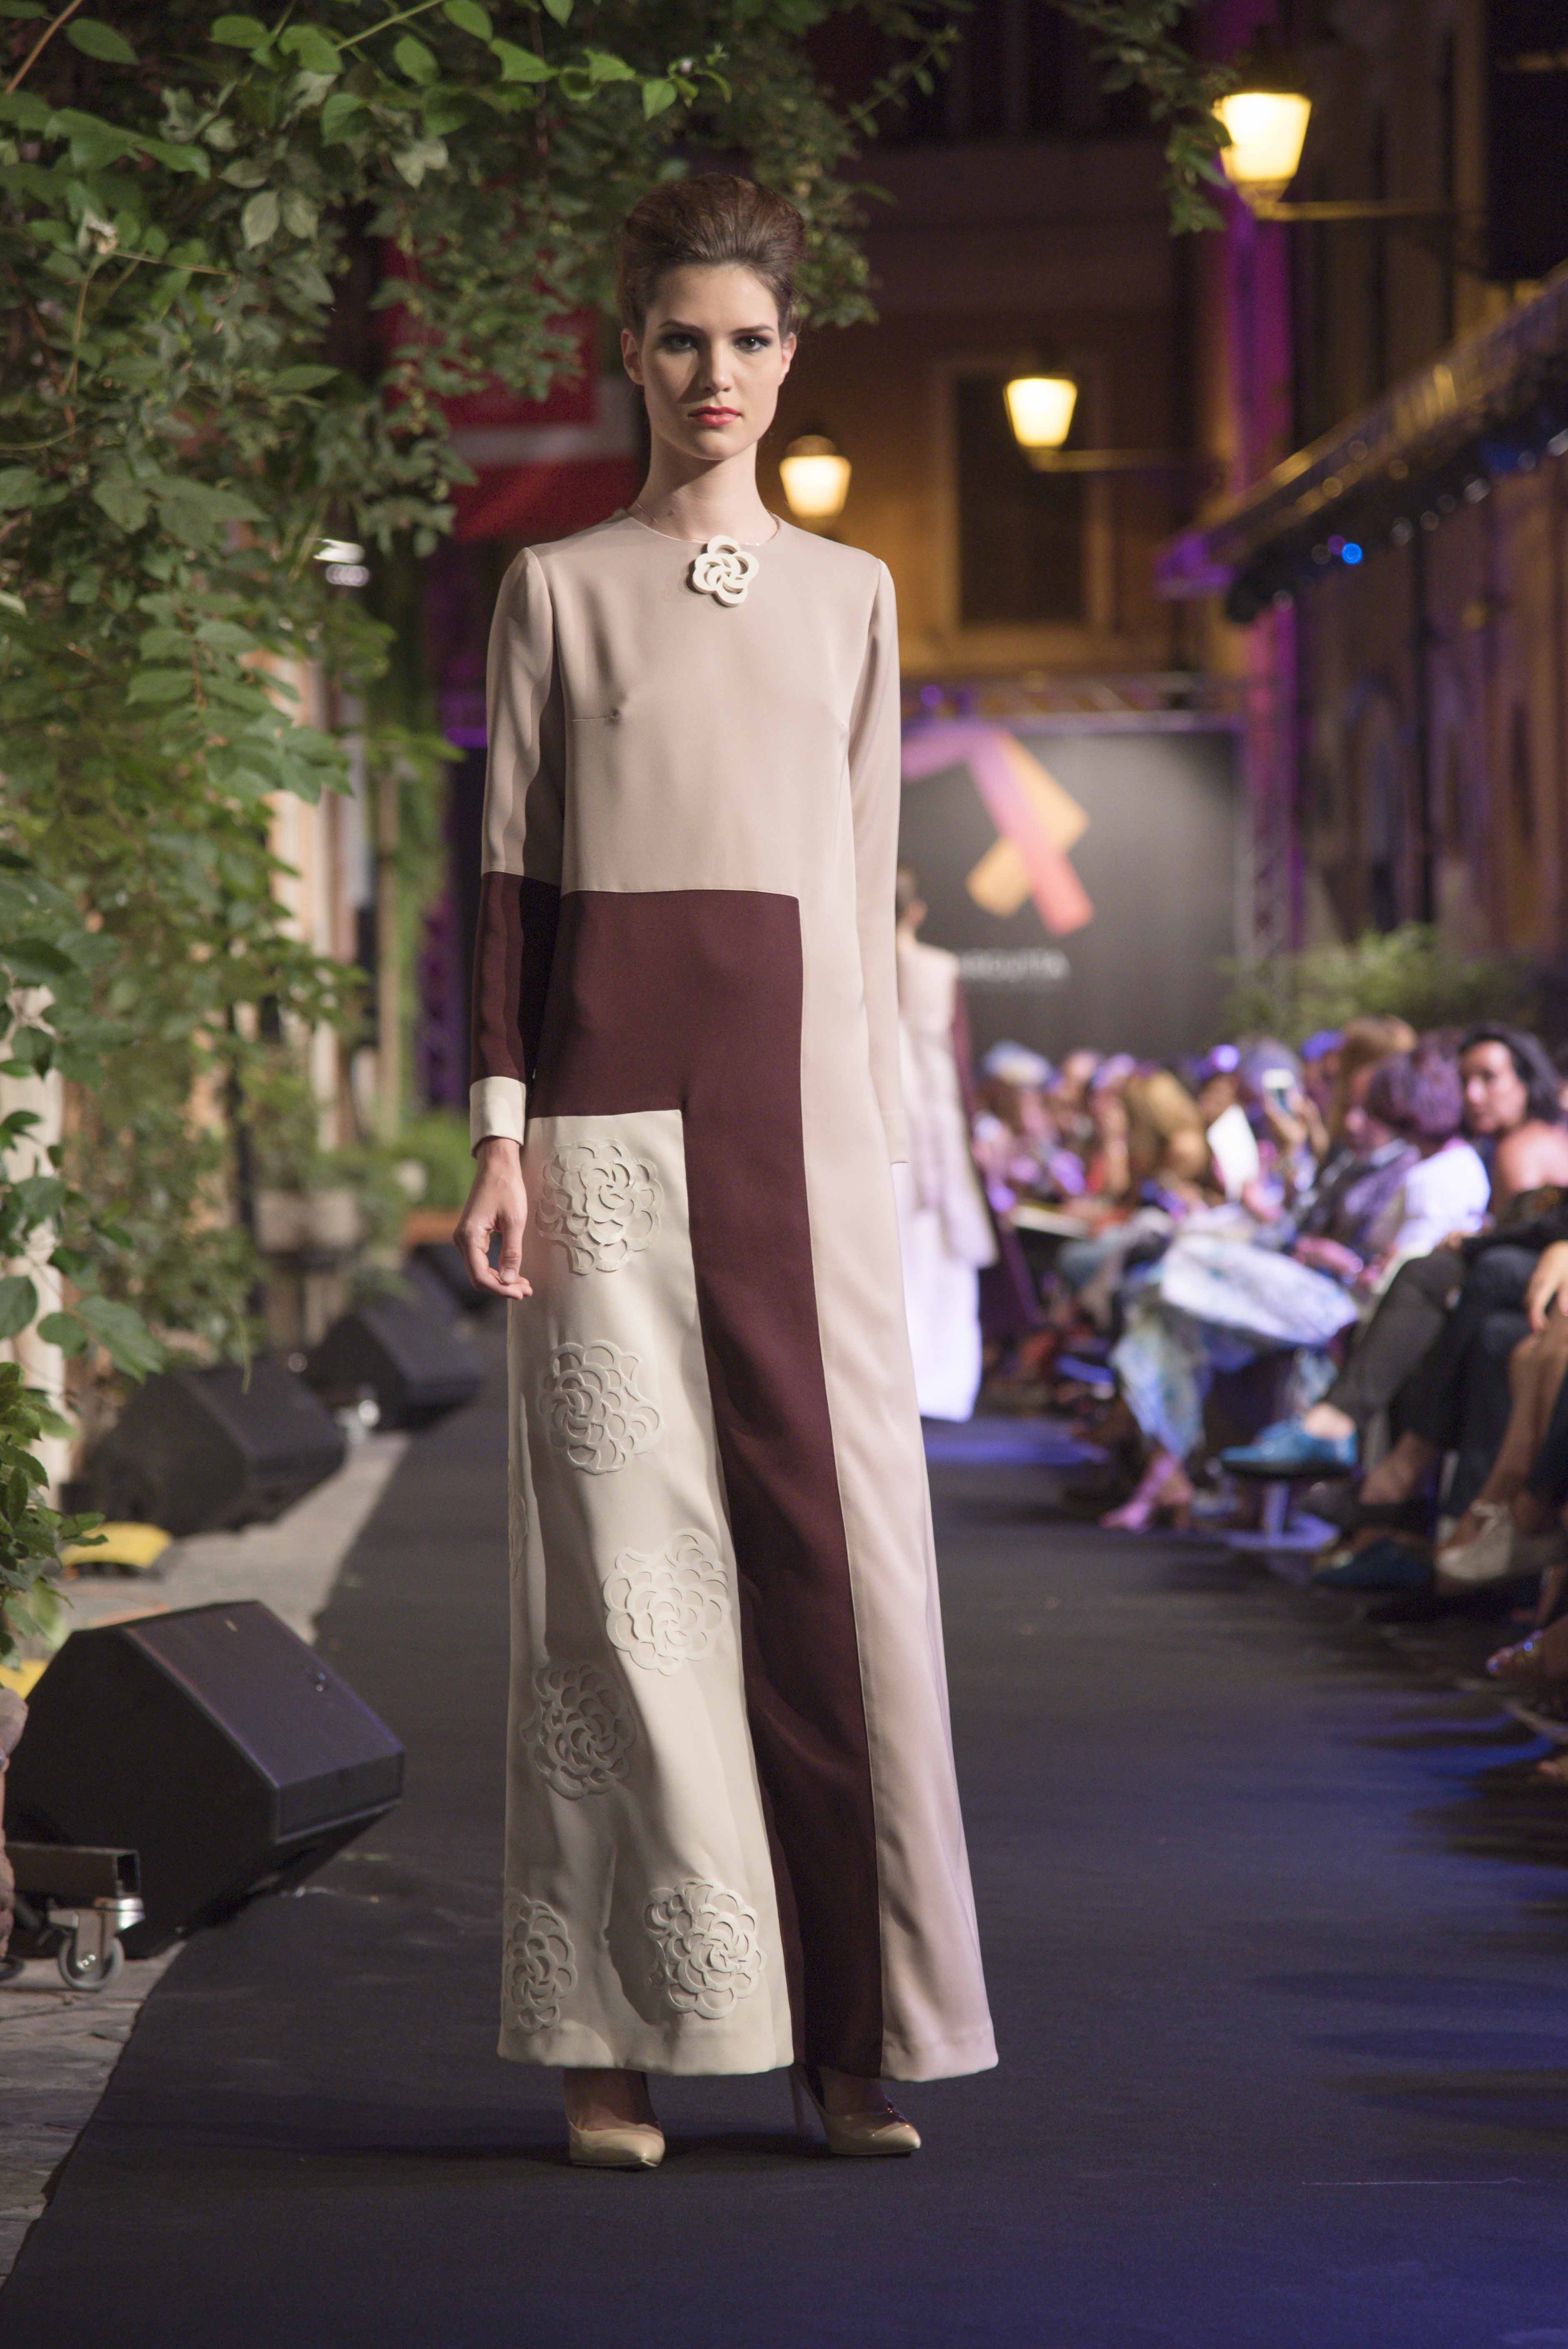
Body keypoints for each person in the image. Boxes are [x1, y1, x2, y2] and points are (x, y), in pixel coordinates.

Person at [453, 174, 994, 2171]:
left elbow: (856, 893)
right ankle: (615, 2039)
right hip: (597, 1124)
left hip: (798, 1132)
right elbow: (507, 885)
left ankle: (849, 2037)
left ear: (787, 356)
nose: (714, 372)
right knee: (619, 1586)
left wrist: (875, 1155)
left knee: (835, 1573)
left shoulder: (853, 596)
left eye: (747, 339)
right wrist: (497, 1133)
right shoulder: (556, 586)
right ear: (630, 350)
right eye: (680, 337)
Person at [892, 864, 997, 1420]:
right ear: (916, 911)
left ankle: (893, 1378)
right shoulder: (940, 969)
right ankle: (939, 1378)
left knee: (894, 1246)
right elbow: (958, 1059)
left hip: (883, 1115)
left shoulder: (852, 963)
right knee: (938, 1248)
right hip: (935, 1117)